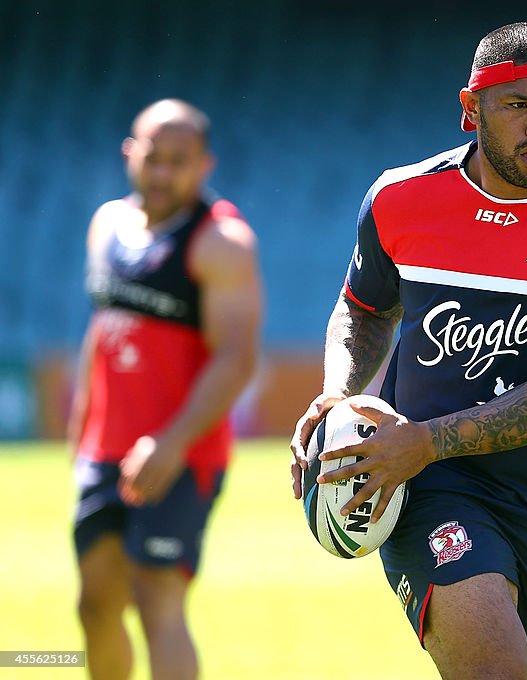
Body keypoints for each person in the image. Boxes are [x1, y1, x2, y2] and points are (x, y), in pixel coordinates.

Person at [290, 22, 527, 680]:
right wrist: (341, 394)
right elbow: (363, 308)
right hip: (429, 483)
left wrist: (426, 440)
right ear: (471, 108)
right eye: (518, 107)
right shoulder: (399, 199)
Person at [69, 99, 263, 680]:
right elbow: (102, 327)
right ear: (131, 153)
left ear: (204, 165)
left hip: (182, 453)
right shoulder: (107, 223)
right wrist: (82, 422)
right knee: (95, 606)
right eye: (152, 158)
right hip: (103, 452)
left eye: (178, 161)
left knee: (158, 602)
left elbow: (236, 358)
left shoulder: (222, 242)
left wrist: (172, 443)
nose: (161, 173)